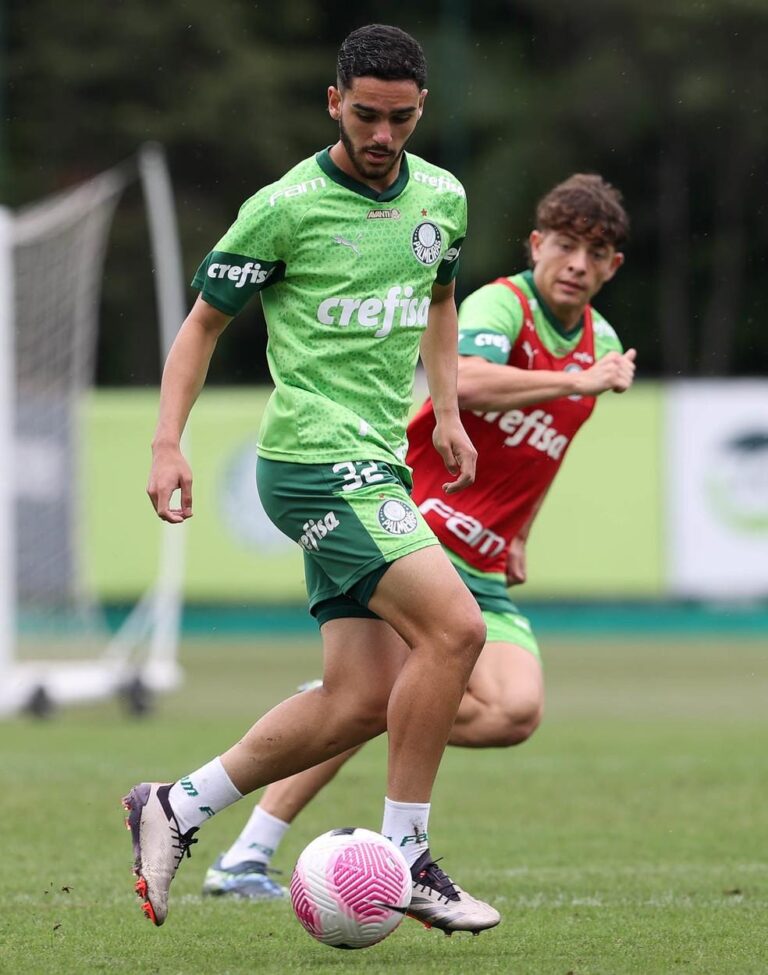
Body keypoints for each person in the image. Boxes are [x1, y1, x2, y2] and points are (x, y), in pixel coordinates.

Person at [122, 24, 502, 934]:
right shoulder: (284, 206)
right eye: (365, 115)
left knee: (360, 700)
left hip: (379, 461)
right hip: (310, 460)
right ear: (334, 102)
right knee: (455, 630)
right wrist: (165, 443)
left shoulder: (442, 199)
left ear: (421, 112)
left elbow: (440, 302)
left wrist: (446, 410)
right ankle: (406, 855)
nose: (381, 135)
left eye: (400, 119)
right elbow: (203, 325)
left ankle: (174, 807)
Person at [199, 173, 637, 902]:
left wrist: (521, 529)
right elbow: (462, 380)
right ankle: (247, 852)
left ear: (613, 266)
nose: (578, 264)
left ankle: (362, 698)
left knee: (512, 711)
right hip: (413, 526)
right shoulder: (505, 304)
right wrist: (574, 382)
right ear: (537, 245)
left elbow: (543, 450)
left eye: (596, 252)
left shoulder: (601, 344)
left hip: (486, 559)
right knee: (396, 690)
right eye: (564, 245)